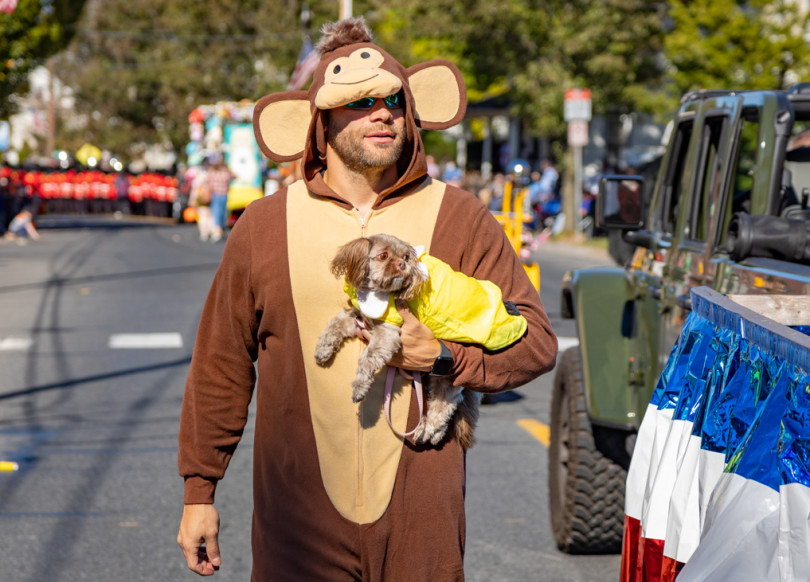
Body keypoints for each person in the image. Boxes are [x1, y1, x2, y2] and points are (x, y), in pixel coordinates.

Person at [176, 17, 557, 581]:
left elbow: (536, 343)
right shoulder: (264, 226)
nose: (382, 113)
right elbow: (221, 363)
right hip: (298, 522)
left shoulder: (460, 215)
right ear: (320, 121)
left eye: (393, 100)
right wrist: (199, 490)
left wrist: (449, 359)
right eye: (359, 102)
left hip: (422, 518)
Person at [205, 159, 234, 242]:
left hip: (215, 194)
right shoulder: (226, 173)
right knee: (223, 212)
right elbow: (234, 176)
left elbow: (207, 181)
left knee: (216, 213)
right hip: (224, 195)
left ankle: (217, 232)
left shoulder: (212, 172)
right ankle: (222, 229)